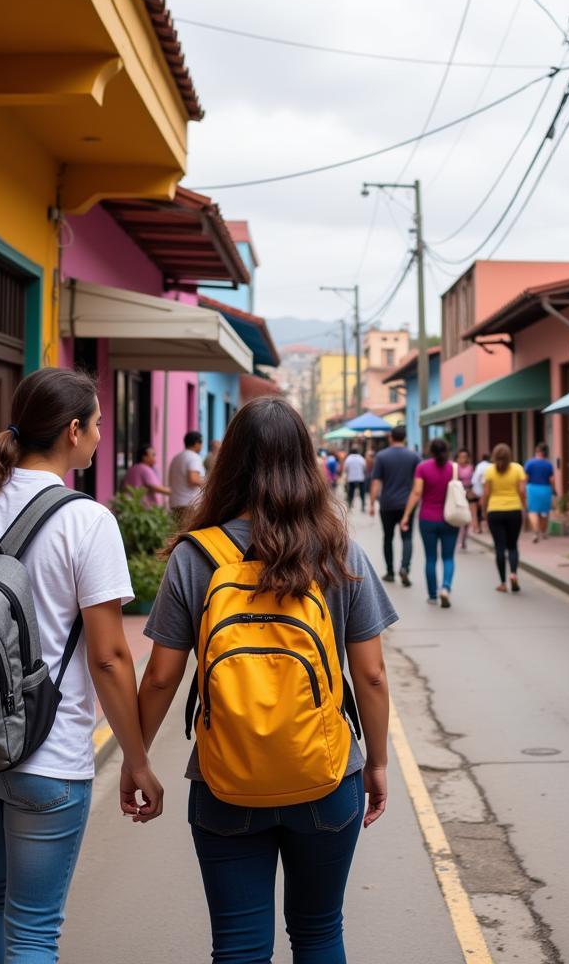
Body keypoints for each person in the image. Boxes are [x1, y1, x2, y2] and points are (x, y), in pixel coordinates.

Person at [0, 368, 162, 961]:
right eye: (96, 425)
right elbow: (110, 656)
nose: (98, 437)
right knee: (35, 927)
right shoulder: (86, 521)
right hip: (50, 753)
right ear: (73, 430)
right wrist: (137, 759)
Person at [136, 397, 396, 962]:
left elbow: (160, 677)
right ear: (306, 462)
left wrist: (137, 758)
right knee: (320, 931)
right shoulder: (337, 549)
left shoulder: (194, 555)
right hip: (327, 775)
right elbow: (370, 676)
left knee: (238, 945)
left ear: (229, 463)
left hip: (224, 778)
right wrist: (375, 763)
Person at [401, 438, 459, 608]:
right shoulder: (453, 468)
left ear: (430, 451)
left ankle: (433, 595)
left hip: (427, 519)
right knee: (448, 557)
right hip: (450, 519)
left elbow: (417, 492)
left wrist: (406, 515)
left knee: (431, 558)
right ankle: (446, 588)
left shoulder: (422, 467)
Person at [369, 424, 421, 586]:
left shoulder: (382, 457)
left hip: (387, 504)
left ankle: (390, 572)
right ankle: (405, 567)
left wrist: (371, 503)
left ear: (391, 437)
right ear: (405, 438)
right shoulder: (414, 456)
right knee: (407, 537)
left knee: (388, 537)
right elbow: (418, 482)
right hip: (407, 504)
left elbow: (376, 482)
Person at [483, 443, 527, 593]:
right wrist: (524, 507)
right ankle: (513, 574)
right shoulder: (518, 469)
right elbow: (522, 491)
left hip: (494, 511)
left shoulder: (489, 471)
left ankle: (502, 583)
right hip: (514, 510)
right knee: (513, 545)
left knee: (499, 547)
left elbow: (486, 494)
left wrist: (484, 511)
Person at [168, 430, 206, 524]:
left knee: (179, 532)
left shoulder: (177, 457)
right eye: (201, 443)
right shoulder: (194, 457)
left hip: (176, 502)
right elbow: (193, 479)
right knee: (188, 532)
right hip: (189, 504)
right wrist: (209, 484)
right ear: (197, 443)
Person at [523, 442, 555, 543]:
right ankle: (544, 532)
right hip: (545, 489)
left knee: (533, 511)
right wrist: (554, 490)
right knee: (544, 512)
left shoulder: (530, 463)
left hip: (532, 488)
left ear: (538, 452)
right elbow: (552, 479)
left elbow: (526, 478)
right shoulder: (548, 464)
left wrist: (524, 489)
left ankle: (536, 532)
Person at [122, 442, 171, 507]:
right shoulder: (144, 468)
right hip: (142, 507)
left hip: (131, 505)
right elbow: (154, 487)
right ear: (144, 457)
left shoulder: (133, 468)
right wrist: (173, 492)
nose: (154, 458)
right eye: (152, 455)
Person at [455, 449, 474, 550]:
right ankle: (458, 539)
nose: (463, 459)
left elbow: (473, 481)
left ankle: (464, 539)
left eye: (465, 456)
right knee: (458, 517)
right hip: (457, 494)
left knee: (467, 518)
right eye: (460, 457)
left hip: (468, 494)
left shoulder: (470, 468)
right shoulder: (455, 467)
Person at [342, 445, 368, 511]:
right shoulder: (361, 458)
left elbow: (345, 468)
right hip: (360, 478)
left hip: (351, 478)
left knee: (351, 491)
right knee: (362, 492)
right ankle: (363, 505)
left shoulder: (348, 458)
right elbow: (365, 468)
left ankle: (350, 504)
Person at [471, 451, 491, 534]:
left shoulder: (479, 466)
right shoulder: (491, 466)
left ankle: (478, 527)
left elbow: (474, 479)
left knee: (478, 511)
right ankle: (488, 527)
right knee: (487, 509)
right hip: (488, 492)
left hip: (478, 491)